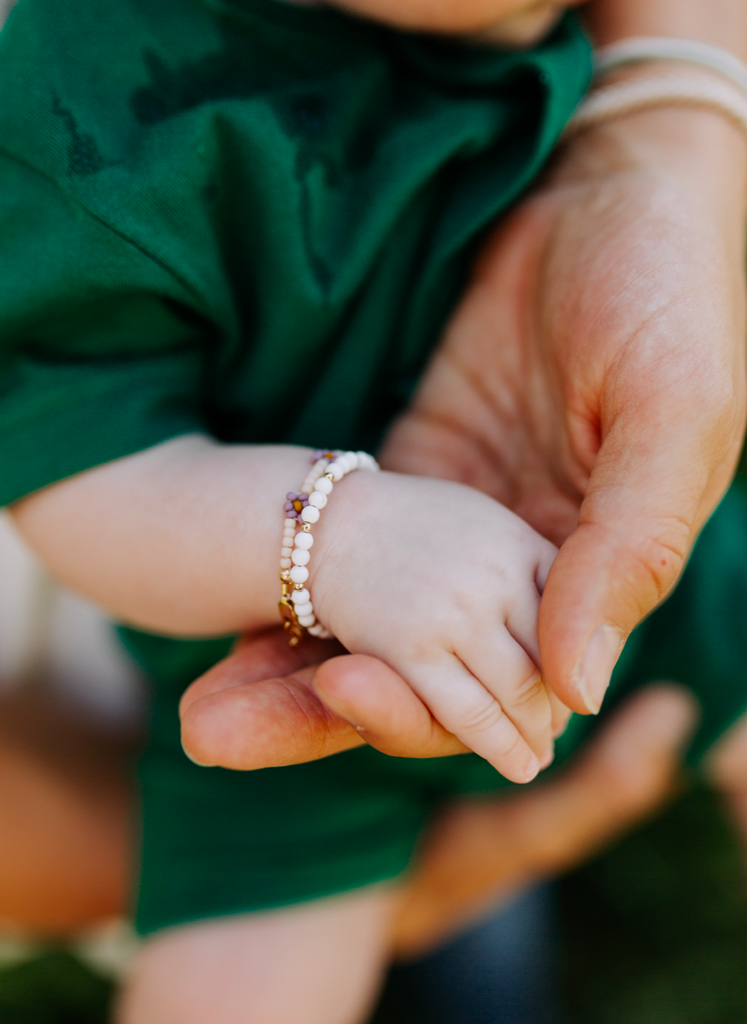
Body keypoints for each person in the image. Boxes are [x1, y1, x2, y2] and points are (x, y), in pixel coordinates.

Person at [0, 0, 746, 1022]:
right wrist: (333, 534)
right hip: (303, 689)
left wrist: (667, 125)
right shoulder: (91, 96)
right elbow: (76, 468)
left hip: (636, 520)